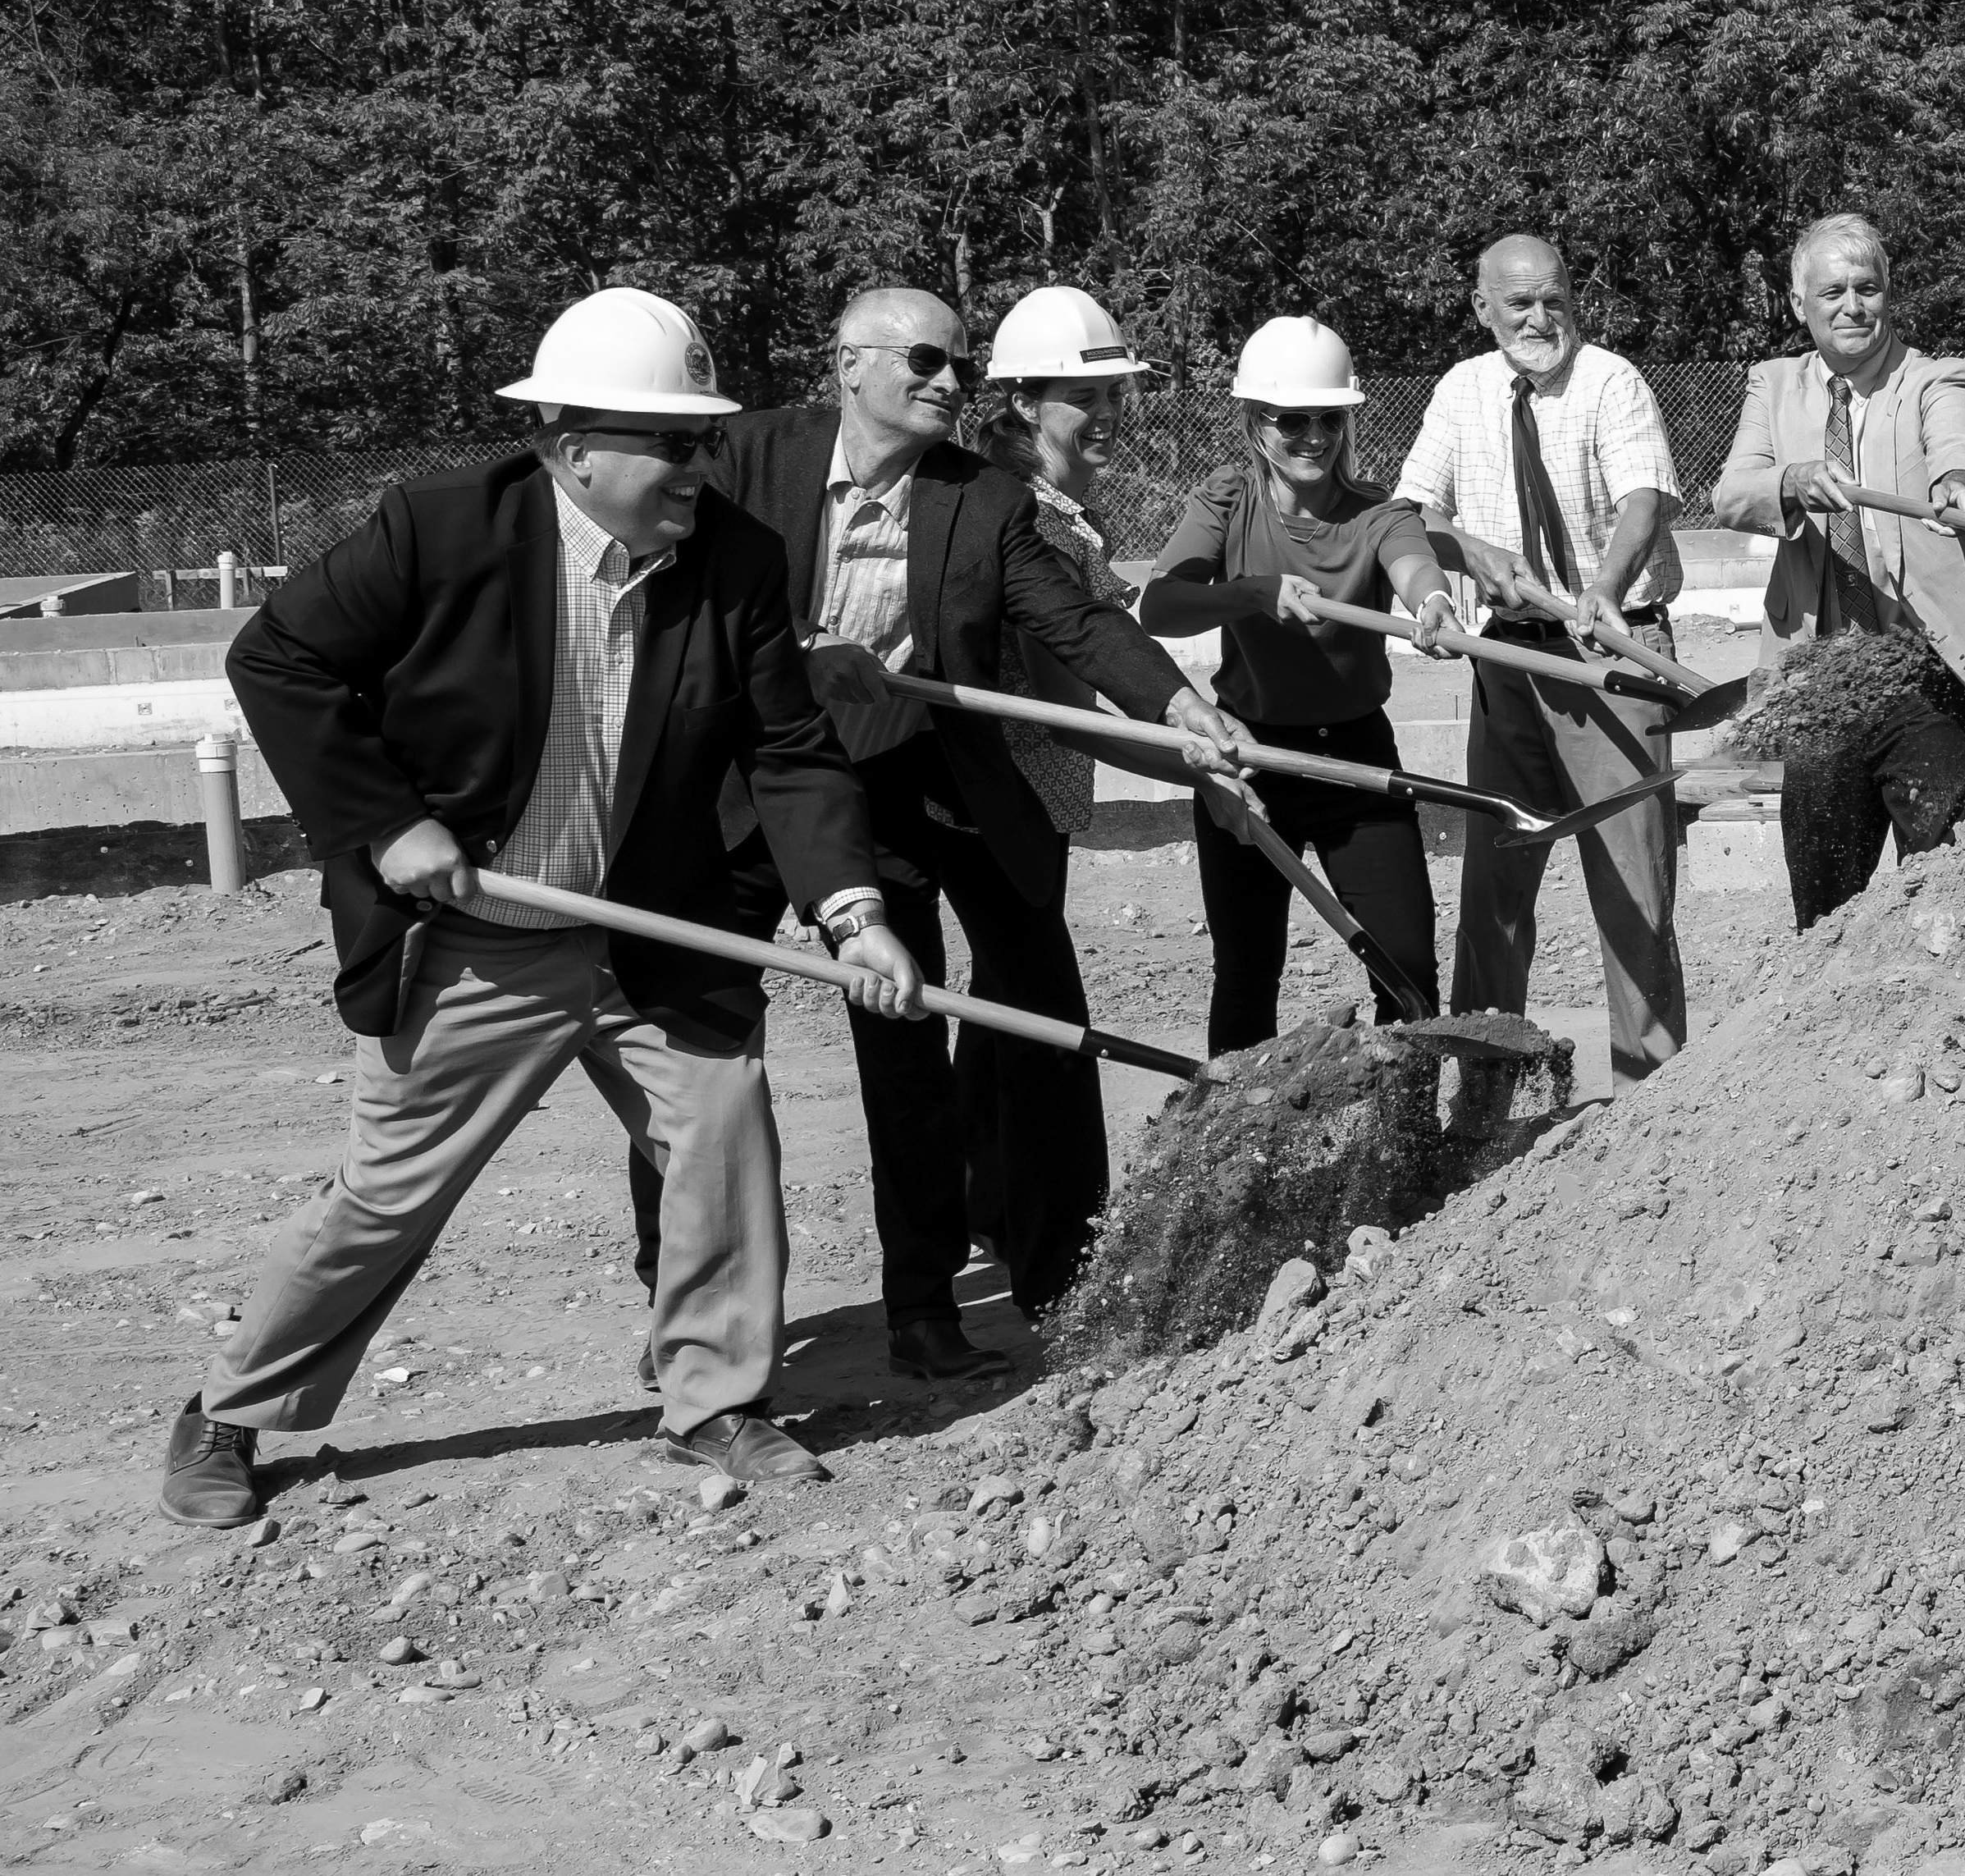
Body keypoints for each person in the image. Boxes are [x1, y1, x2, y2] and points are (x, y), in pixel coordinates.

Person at [164, 287, 913, 1525]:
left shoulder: (735, 560)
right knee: (391, 1191)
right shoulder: (442, 529)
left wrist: (852, 908)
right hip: (478, 941)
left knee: (724, 1134)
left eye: (704, 440)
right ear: (570, 446)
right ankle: (232, 1411)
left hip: (649, 932)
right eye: (671, 442)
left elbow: (788, 749)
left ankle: (715, 1402)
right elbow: (279, 657)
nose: (696, 466)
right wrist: (388, 820)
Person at [697, 286, 1240, 1368]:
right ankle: (679, 1298)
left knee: (901, 1039)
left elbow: (1076, 620)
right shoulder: (747, 458)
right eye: (925, 360)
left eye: (957, 361)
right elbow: (678, 578)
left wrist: (1179, 707)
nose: (950, 379)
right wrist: (793, 646)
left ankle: (922, 1307)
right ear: (850, 364)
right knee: (691, 1032)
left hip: (888, 781)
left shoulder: (982, 499)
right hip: (742, 775)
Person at [1393, 232, 1690, 1094]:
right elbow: (1410, 508)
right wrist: (1469, 547)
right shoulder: (1462, 390)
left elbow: (1643, 496)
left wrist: (1603, 585)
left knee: (1636, 896)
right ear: (1482, 308)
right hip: (1507, 664)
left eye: (1554, 299)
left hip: (1611, 663)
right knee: (1493, 900)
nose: (1539, 317)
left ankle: (1653, 1106)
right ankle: (1480, 1103)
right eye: (1519, 302)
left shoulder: (1610, 380)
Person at [1715, 213, 1965, 923]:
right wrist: (1792, 480)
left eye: (1866, 288)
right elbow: (1732, 494)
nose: (1852, 306)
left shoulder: (1936, 378)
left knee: (1939, 878)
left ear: (1888, 294)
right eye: (1833, 291)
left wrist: (1958, 484)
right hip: (1823, 675)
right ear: (1797, 303)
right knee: (1823, 892)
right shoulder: (1772, 388)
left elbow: (1958, 441)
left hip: (1928, 666)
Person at [1138, 318, 1449, 1051]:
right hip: (1248, 758)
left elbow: (1415, 569)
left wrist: (1432, 605)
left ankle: (1406, 1135)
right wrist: (1249, 592)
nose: (1314, 436)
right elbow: (1160, 605)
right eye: (1291, 420)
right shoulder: (1227, 501)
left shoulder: (1379, 512)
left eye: (1328, 419)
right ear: (1255, 422)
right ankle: (1232, 1141)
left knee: (1407, 968)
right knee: (1246, 971)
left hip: (1357, 763)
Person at [971, 282, 1154, 854]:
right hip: (1005, 802)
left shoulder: (1049, 507)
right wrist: (1199, 772)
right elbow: (1067, 715)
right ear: (1025, 404)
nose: (1106, 414)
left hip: (1024, 800)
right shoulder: (1037, 524)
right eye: (1083, 397)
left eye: (1114, 393)